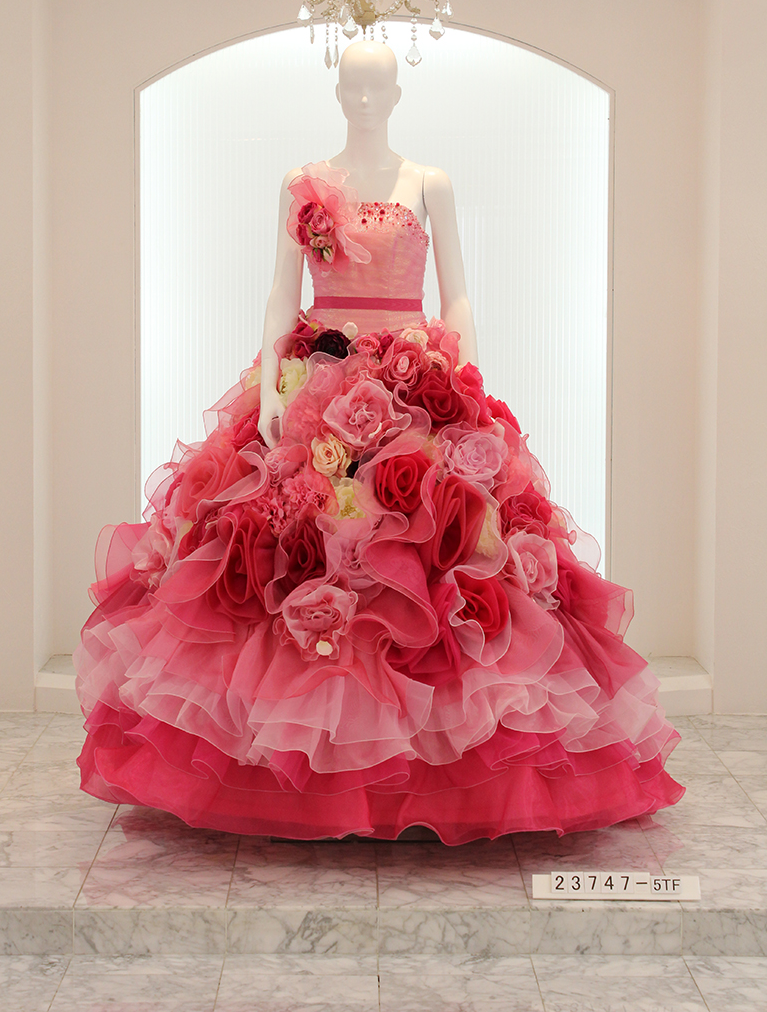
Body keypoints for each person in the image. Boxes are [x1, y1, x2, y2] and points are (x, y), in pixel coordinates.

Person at [74, 41, 683, 844]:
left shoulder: (430, 182)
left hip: (414, 382)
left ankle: (430, 775)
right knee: (295, 554)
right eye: (352, 84)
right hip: (317, 377)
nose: (363, 97)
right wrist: (270, 391)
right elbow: (280, 293)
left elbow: (457, 295)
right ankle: (301, 768)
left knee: (425, 562)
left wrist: (464, 384)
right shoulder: (301, 182)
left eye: (377, 85)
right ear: (337, 90)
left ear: (397, 94)